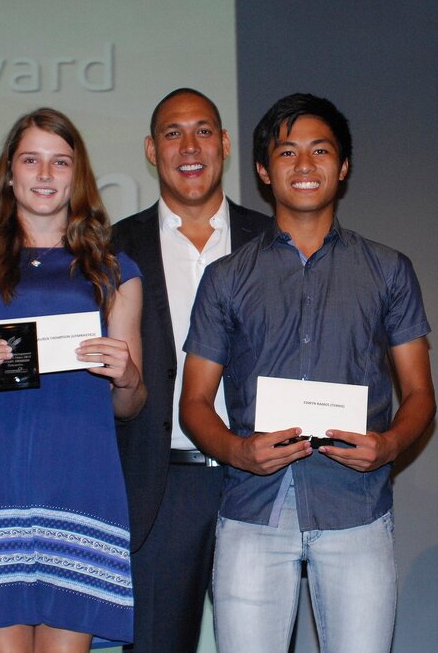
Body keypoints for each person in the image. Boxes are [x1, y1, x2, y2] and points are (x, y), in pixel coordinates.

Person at [180, 93, 435, 653]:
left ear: (342, 168)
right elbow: (194, 402)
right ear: (263, 171)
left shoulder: (389, 270)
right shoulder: (225, 278)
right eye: (287, 151)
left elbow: (419, 393)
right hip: (252, 507)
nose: (303, 164)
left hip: (356, 507)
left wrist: (389, 444)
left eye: (320, 150)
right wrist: (237, 451)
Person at [0, 108, 146, 651]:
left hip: (81, 487)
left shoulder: (114, 271)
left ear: (77, 175)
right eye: (31, 160)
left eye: (59, 161)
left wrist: (127, 375)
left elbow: (129, 405)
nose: (45, 174)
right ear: (9, 174)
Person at [110, 88, 270, 652]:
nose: (189, 146)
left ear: (224, 143)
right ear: (152, 151)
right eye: (172, 133)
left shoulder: (273, 241)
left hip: (262, 480)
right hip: (159, 485)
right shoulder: (111, 248)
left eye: (203, 130)